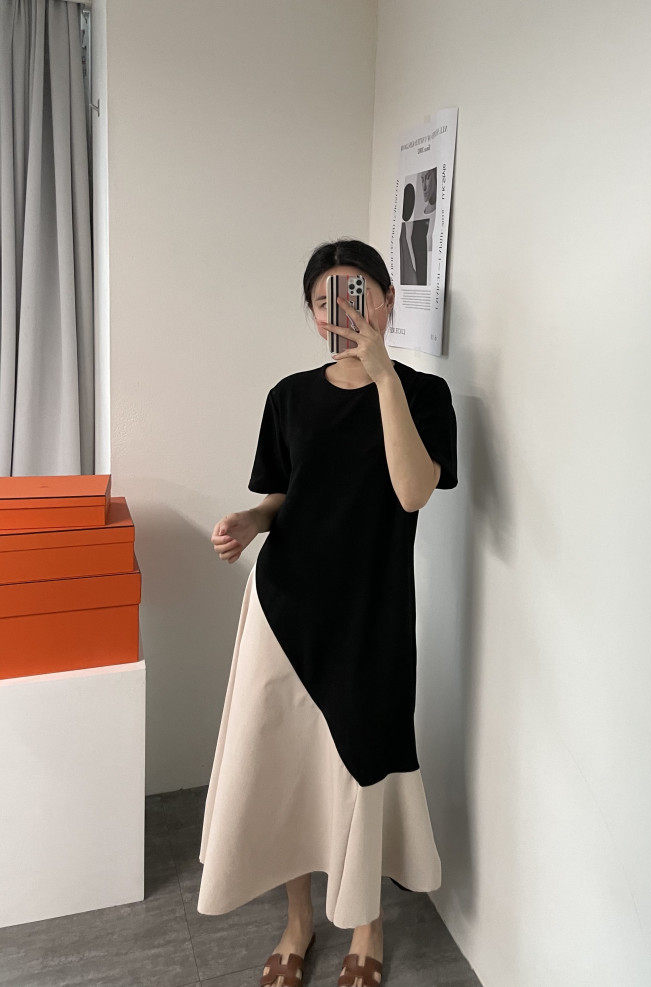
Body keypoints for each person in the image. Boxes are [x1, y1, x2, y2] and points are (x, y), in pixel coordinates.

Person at [197, 238, 458, 987]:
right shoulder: (288, 396)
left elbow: (412, 491)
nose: (339, 312)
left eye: (356, 294)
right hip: (287, 610)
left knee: (365, 762)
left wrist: (383, 377)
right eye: (324, 300)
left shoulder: (425, 394)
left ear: (388, 300)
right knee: (287, 766)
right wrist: (252, 521)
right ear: (312, 315)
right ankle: (298, 921)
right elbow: (285, 494)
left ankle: (367, 927)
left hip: (373, 612)